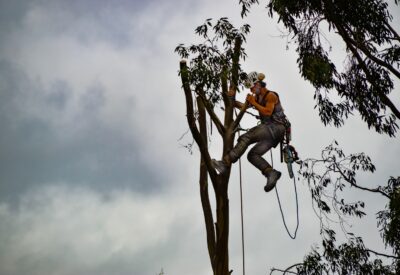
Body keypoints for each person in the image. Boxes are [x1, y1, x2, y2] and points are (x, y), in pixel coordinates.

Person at [212, 72, 288, 192]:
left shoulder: (271, 96)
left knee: (247, 137)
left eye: (252, 87)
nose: (252, 90)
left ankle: (225, 163)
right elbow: (244, 106)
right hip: (270, 135)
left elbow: (268, 112)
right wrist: (231, 99)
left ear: (258, 84)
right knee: (252, 155)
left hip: (275, 127)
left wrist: (253, 102)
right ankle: (271, 173)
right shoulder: (257, 98)